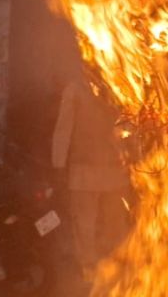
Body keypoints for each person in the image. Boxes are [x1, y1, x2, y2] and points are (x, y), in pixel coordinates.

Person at [51, 76, 137, 272]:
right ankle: (111, 264)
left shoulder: (76, 89)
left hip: (94, 172)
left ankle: (94, 266)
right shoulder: (121, 84)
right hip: (100, 171)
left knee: (87, 222)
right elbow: (130, 128)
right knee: (108, 220)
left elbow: (63, 129)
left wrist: (58, 165)